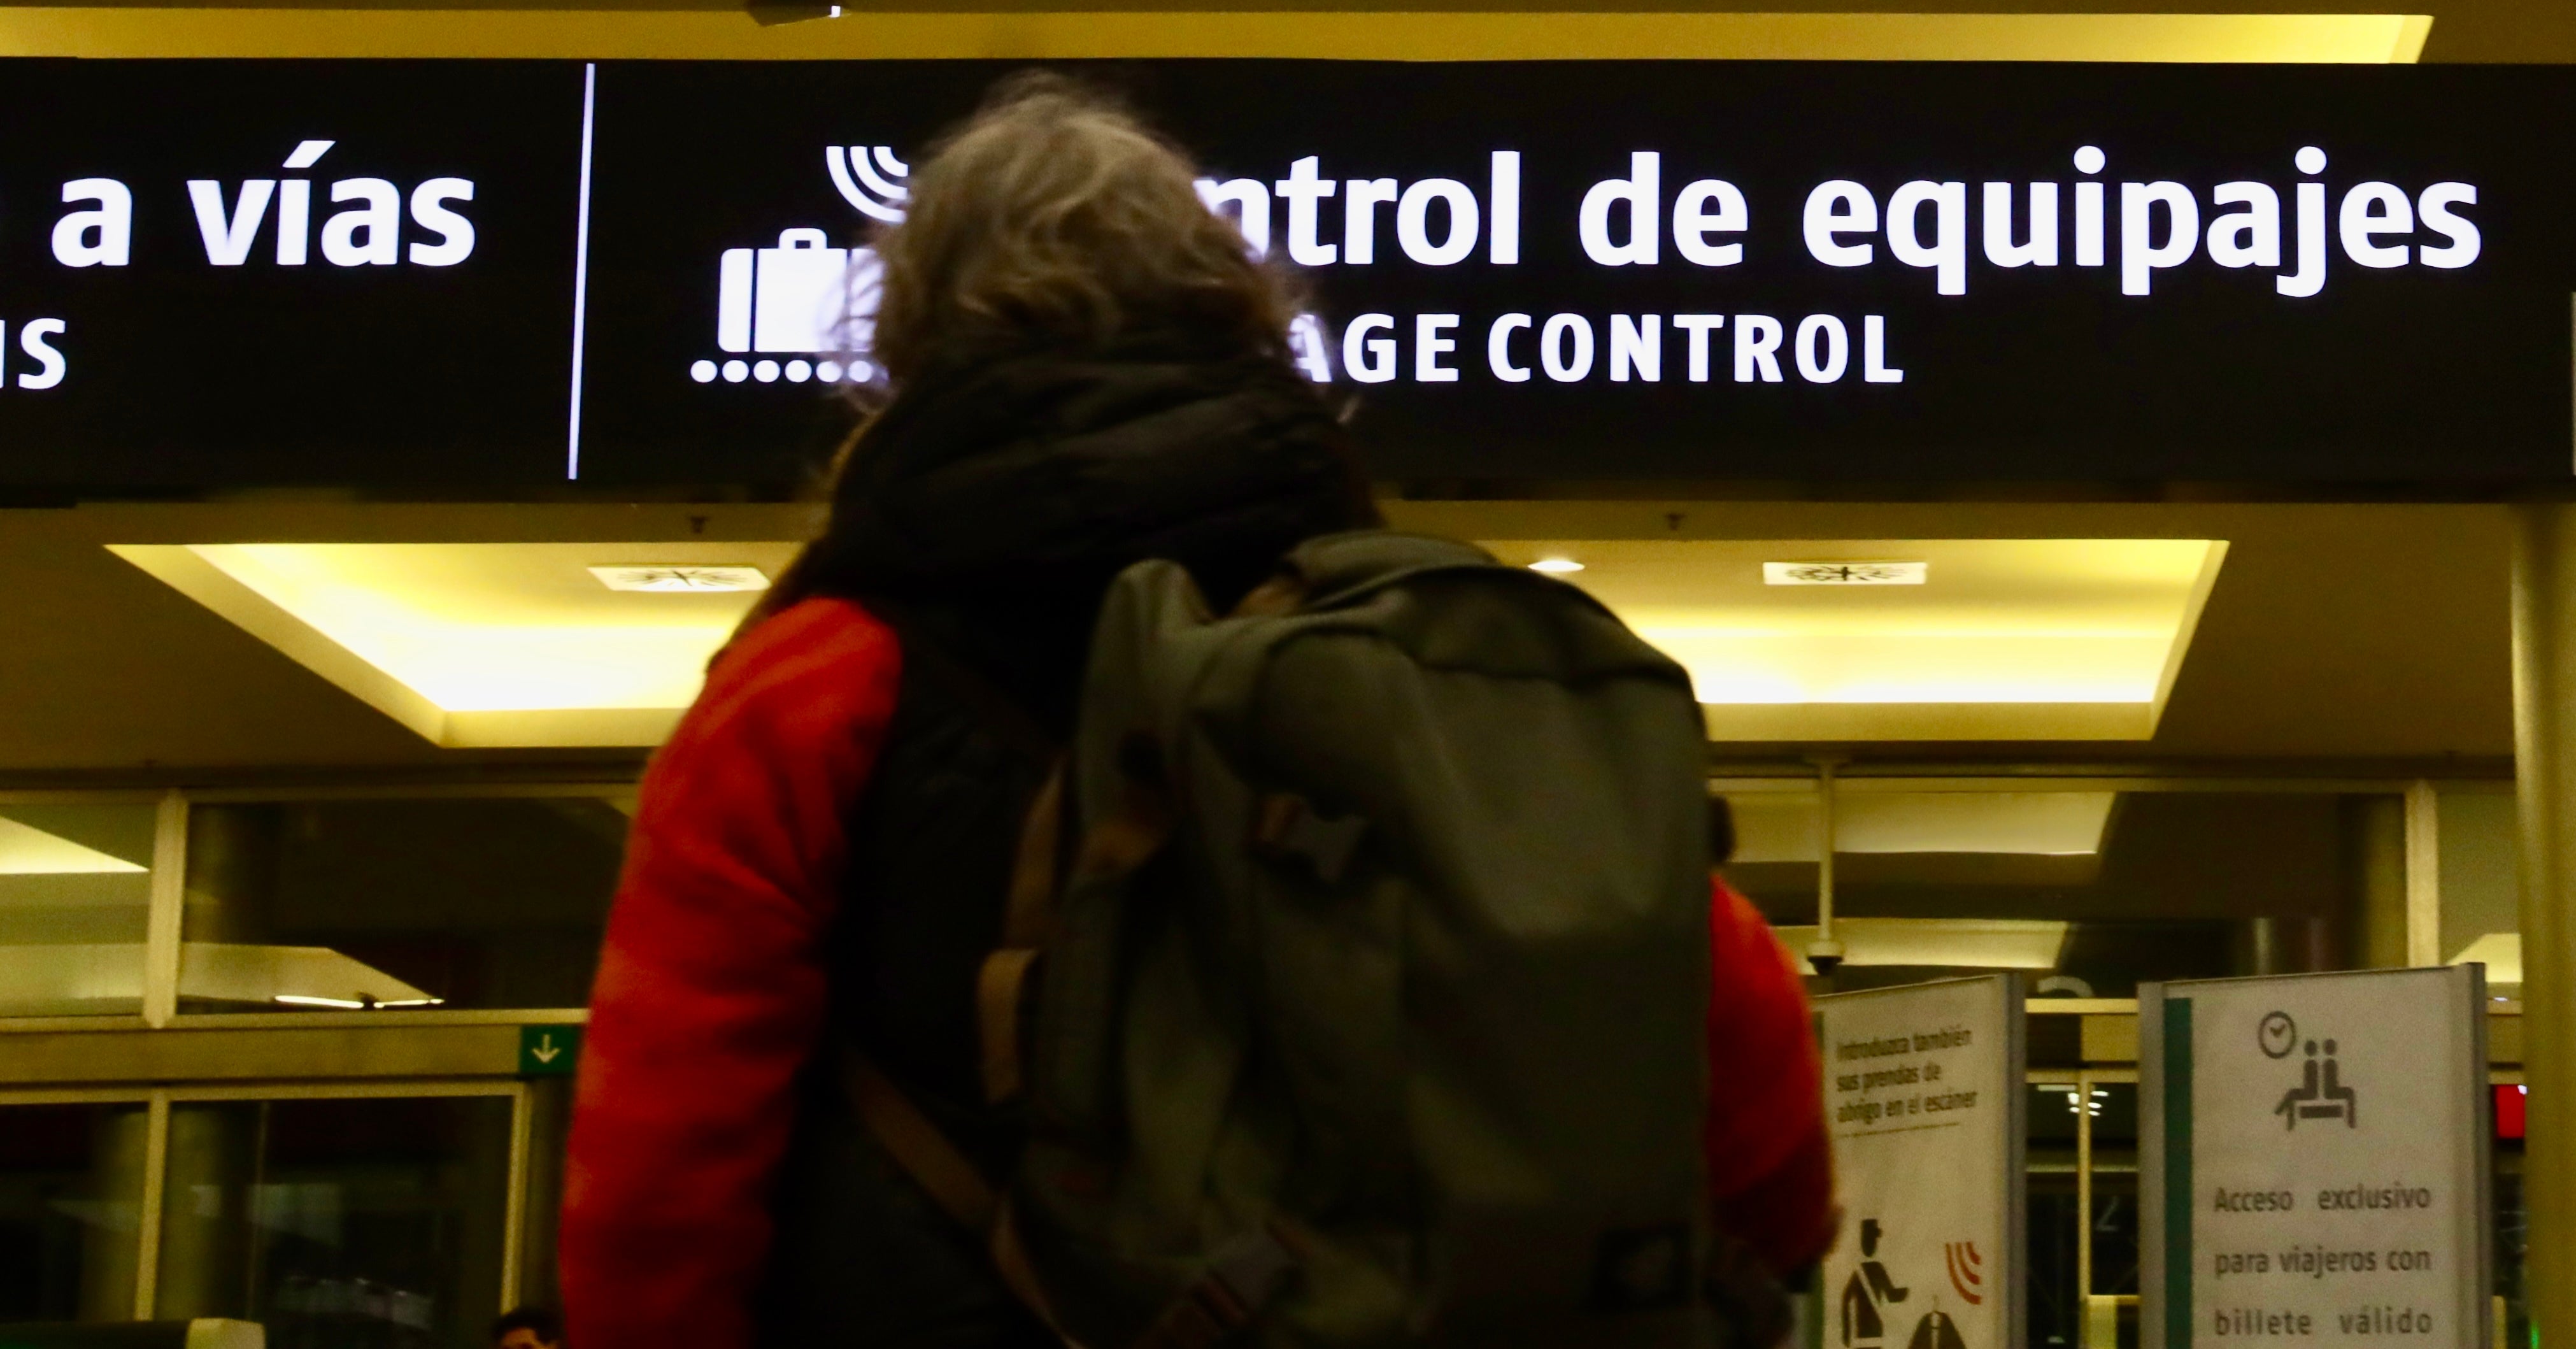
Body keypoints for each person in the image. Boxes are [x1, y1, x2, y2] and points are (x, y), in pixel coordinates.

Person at [560, 73, 1833, 1349]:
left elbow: (660, 1162)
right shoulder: (1432, 669)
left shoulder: (816, 680)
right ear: (1246, 317)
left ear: (906, 345)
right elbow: (1744, 1092)